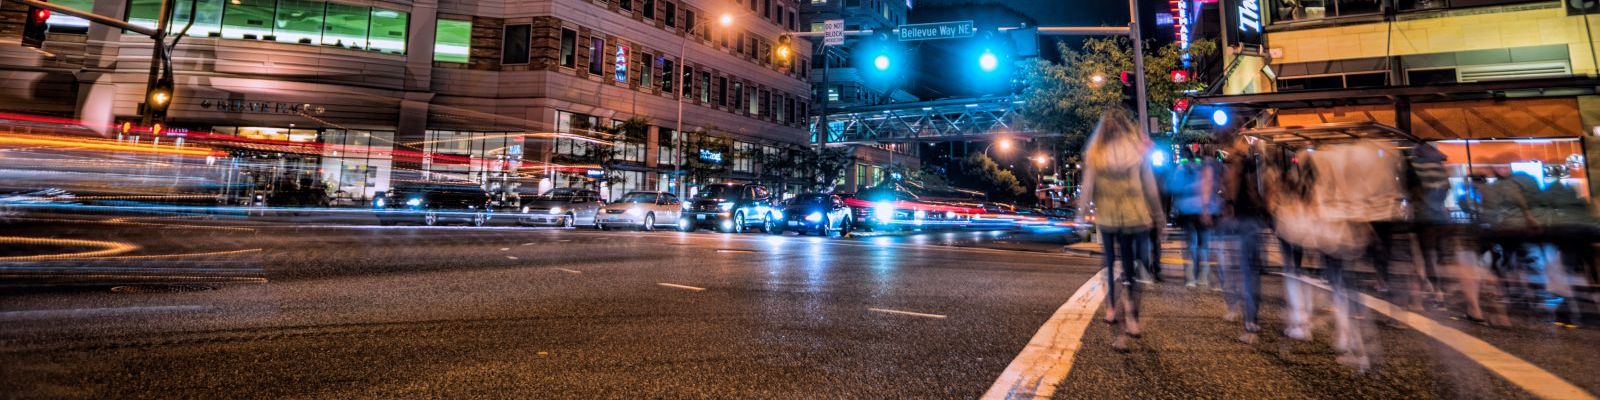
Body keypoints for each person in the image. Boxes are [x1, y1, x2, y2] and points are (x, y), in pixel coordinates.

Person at [1078, 107, 1164, 351]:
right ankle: (1130, 315)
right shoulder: (1137, 150)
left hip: (1110, 217)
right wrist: (1158, 215)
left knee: (1111, 265)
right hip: (1134, 215)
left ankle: (1115, 312)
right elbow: (1149, 184)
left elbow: (1088, 185)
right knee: (1132, 268)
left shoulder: (1096, 153)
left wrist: (1082, 214)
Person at [1216, 129, 1269, 344]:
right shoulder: (1251, 162)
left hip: (1241, 222)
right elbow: (1258, 193)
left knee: (1239, 271)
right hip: (1254, 221)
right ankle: (1252, 319)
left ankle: (1248, 324)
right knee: (1252, 274)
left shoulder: (1234, 165)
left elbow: (1233, 192)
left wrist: (1228, 207)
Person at [1165, 145, 1220, 288]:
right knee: (1204, 244)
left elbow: (1173, 187)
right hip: (1204, 209)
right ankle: (1204, 276)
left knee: (1191, 244)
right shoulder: (1203, 168)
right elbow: (1211, 185)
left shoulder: (1181, 169)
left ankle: (1191, 277)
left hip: (1187, 210)